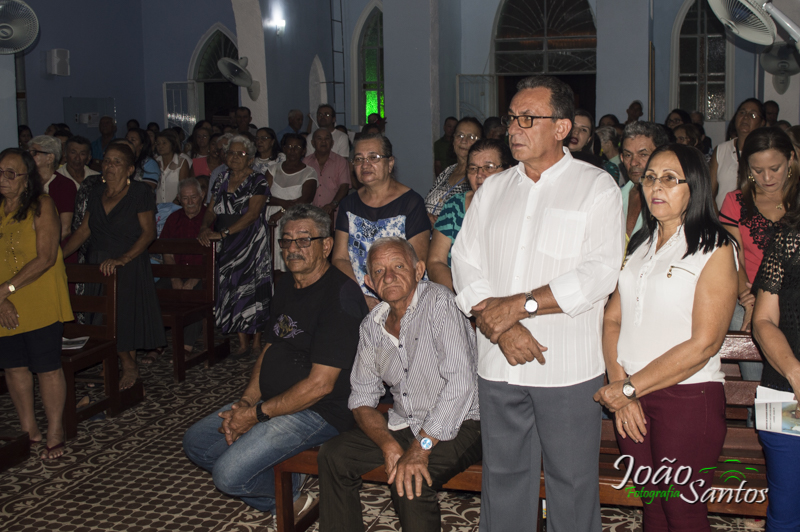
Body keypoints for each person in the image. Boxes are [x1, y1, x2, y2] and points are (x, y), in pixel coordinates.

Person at [451, 75, 624, 531]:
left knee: (571, 485)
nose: (514, 128)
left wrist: (522, 306)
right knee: (503, 480)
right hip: (498, 361)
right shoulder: (493, 189)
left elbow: (600, 272)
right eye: (512, 118)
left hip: (564, 367)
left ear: (563, 127)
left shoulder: (596, 187)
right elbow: (463, 261)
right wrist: (503, 324)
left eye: (529, 118)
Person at [184, 204, 367, 514]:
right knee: (197, 442)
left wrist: (256, 416)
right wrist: (246, 402)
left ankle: (291, 499)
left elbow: (320, 386)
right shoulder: (286, 284)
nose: (292, 248)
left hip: (321, 411)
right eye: (286, 240)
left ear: (326, 246)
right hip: (272, 401)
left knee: (228, 474)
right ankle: (289, 491)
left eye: (303, 240)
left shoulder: (341, 297)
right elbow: (271, 348)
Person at [594, 143, 738, 531]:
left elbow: (704, 343)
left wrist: (627, 390)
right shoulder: (640, 244)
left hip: (687, 396)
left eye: (670, 179)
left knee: (682, 511)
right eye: (651, 177)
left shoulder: (715, 247)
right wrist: (621, 386)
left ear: (694, 187)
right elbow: (612, 321)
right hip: (633, 396)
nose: (656, 187)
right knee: (653, 506)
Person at [318, 237, 481, 532]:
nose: (388, 276)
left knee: (411, 478)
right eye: (379, 271)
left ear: (419, 270)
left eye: (398, 266)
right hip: (406, 424)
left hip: (462, 423)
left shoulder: (440, 302)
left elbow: (461, 384)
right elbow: (362, 399)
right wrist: (388, 445)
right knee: (334, 455)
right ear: (368, 281)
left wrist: (420, 448)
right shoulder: (371, 327)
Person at [62, 144, 166, 390]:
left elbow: (149, 232)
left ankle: (129, 365)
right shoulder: (97, 191)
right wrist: (58, 255)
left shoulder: (139, 192)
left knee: (123, 316)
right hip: (98, 262)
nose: (109, 166)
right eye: (107, 160)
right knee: (101, 317)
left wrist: (124, 259)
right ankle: (114, 361)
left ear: (130, 169)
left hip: (128, 261)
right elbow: (84, 230)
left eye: (117, 162)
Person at [0, 148, 73, 460]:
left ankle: (55, 429)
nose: (3, 179)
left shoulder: (42, 204)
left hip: (39, 295)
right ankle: (30, 430)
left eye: (10, 174)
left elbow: (46, 257)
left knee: (46, 366)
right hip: (3, 299)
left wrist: (6, 289)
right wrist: (2, 299)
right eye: (0, 172)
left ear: (26, 179)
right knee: (14, 366)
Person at [719, 128, 798, 399]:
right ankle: (763, 405)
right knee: (747, 321)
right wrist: (748, 297)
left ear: (791, 160)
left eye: (775, 168)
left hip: (794, 296)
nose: (766, 178)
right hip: (750, 293)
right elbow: (733, 257)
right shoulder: (736, 202)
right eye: (757, 170)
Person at [332, 134, 430, 310]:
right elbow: (339, 258)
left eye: (373, 157)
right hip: (358, 295)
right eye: (359, 159)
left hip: (404, 297)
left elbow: (416, 262)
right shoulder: (348, 204)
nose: (365, 164)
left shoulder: (411, 202)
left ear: (390, 163)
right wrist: (363, 297)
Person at [751, 195, 800, 531]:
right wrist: (795, 372)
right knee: (785, 515)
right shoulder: (787, 237)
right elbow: (763, 320)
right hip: (785, 393)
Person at [198, 135, 270, 357]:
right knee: (231, 287)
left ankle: (257, 341)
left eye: (241, 153)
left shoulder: (259, 180)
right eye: (231, 153)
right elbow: (211, 209)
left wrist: (224, 233)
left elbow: (253, 214)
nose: (235, 157)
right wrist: (204, 227)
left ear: (249, 158)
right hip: (224, 241)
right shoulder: (220, 178)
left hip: (250, 240)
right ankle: (242, 342)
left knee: (252, 288)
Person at [428, 139, 513, 291]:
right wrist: (465, 295)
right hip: (456, 294)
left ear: (509, 170)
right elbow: (435, 261)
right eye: (473, 168)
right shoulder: (454, 205)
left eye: (489, 167)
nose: (480, 174)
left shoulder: (517, 207)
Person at [151, 178, 208, 360]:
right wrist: (175, 278)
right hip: (177, 272)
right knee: (153, 294)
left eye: (193, 197)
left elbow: (215, 255)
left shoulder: (209, 217)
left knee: (195, 296)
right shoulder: (174, 218)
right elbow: (167, 252)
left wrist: (194, 279)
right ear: (178, 198)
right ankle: (156, 343)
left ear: (202, 196)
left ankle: (186, 346)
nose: (190, 202)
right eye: (185, 198)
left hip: (203, 275)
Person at [265, 133, 317, 271]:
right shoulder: (273, 169)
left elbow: (305, 199)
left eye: (297, 147)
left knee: (293, 262)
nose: (292, 150)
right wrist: (284, 203)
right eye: (288, 146)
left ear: (303, 150)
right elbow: (263, 196)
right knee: (272, 264)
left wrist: (281, 211)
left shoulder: (309, 173)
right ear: (283, 148)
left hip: (295, 221)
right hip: (271, 221)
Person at [425, 117, 482, 223]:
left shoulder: (480, 176)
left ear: (480, 143)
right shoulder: (447, 172)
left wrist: (439, 224)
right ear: (453, 141)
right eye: (460, 135)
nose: (464, 141)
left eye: (471, 137)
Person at [710, 98, 766, 209]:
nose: (746, 117)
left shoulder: (765, 152)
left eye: (753, 115)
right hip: (721, 220)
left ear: (762, 123)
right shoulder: (721, 150)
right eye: (742, 112)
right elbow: (709, 193)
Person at [620, 121, 669, 241]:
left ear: (661, 155)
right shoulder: (616, 196)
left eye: (643, 154)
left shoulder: (671, 200)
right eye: (628, 155)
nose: (633, 162)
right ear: (621, 158)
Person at [28, 136, 77, 241]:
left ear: (50, 158)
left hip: (56, 248)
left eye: (34, 153)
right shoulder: (26, 183)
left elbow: (65, 228)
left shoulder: (64, 185)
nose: (28, 156)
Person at [304, 128, 350, 220]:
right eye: (319, 138)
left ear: (332, 143)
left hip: (334, 214)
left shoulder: (341, 162)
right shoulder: (306, 162)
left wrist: (332, 204)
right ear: (313, 143)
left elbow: (344, 186)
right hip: (311, 215)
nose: (323, 141)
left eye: (327, 138)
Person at [155, 130, 192, 204]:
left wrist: (175, 204)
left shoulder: (181, 162)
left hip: (175, 207)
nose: (160, 146)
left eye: (164, 143)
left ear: (172, 144)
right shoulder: (155, 162)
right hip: (158, 207)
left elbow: (183, 187)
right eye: (158, 144)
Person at [207, 133, 234, 204]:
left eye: (224, 149)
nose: (222, 153)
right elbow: (210, 200)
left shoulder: (251, 169)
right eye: (220, 150)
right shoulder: (217, 172)